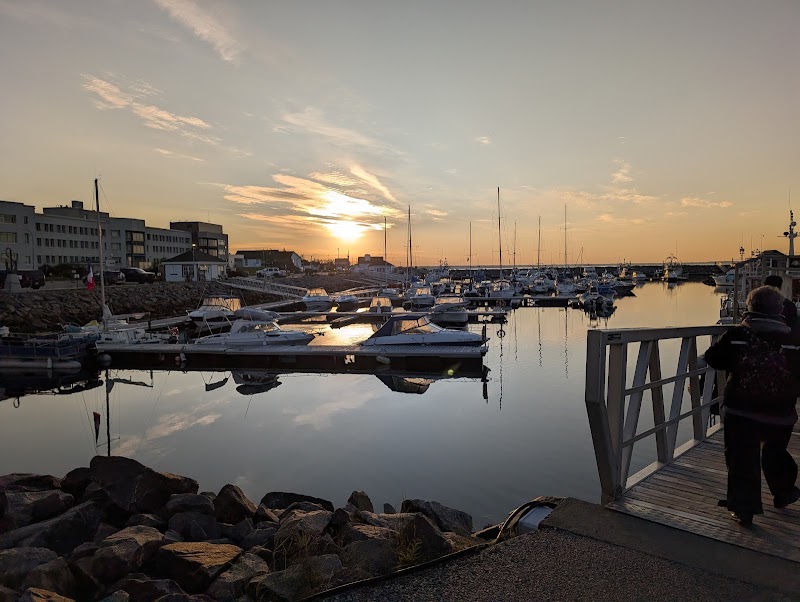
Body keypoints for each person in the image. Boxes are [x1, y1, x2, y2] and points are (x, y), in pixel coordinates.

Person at [703, 285, 800, 527]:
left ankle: (744, 510)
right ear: (779, 309)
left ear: (750, 308)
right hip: (780, 412)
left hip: (741, 411)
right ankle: (784, 492)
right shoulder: (792, 338)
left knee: (741, 457)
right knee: (775, 453)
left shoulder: (736, 335)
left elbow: (713, 358)